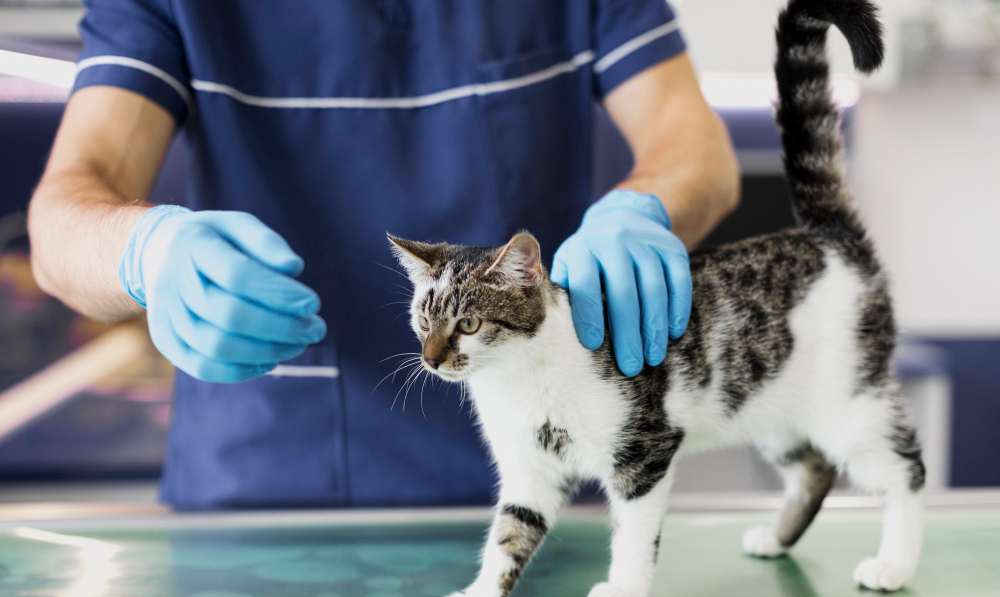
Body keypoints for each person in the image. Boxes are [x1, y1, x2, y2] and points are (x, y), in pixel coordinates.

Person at [28, 0, 739, 509]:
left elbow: (695, 147)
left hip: (551, 458)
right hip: (268, 489)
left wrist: (639, 206)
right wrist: (145, 249)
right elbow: (62, 218)